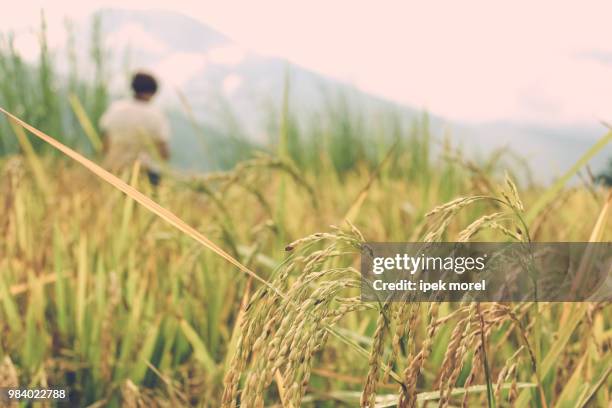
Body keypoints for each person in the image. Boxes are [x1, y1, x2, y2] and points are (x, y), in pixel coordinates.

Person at [99, 71, 170, 186]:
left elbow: (105, 145)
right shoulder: (156, 115)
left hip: (114, 170)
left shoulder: (115, 109)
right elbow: (163, 153)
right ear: (152, 92)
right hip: (145, 174)